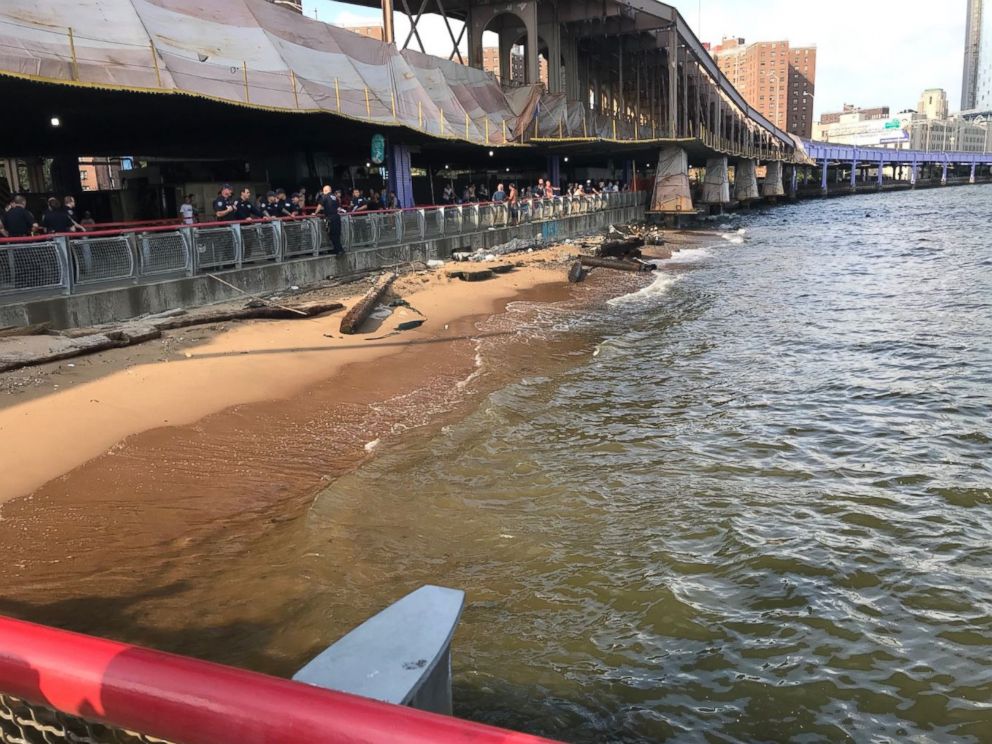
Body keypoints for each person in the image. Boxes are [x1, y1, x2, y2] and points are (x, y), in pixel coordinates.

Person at [314, 184, 344, 254]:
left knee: (332, 234)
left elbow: (320, 205)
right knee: (337, 234)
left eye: (323, 191)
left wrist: (315, 213)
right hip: (337, 217)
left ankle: (338, 250)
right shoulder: (335, 197)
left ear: (325, 190)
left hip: (330, 218)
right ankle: (338, 249)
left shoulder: (325, 196)